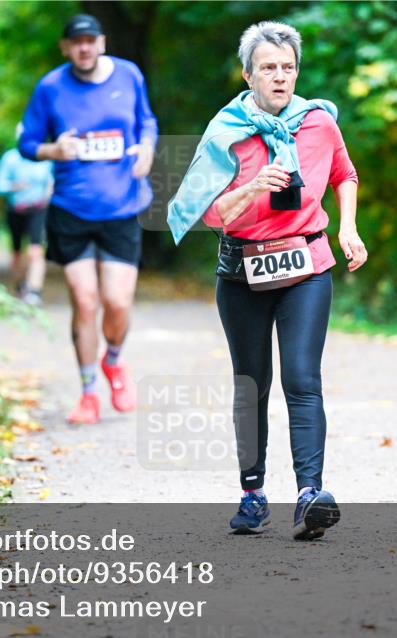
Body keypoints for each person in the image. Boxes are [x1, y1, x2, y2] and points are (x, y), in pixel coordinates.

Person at [167, 22, 366, 540]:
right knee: (252, 385)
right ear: (248, 73)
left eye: (288, 67)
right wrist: (255, 185)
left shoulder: (319, 122)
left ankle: (309, 498)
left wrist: (348, 227)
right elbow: (213, 215)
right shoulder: (225, 132)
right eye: (268, 67)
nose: (279, 76)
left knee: (303, 380)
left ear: (297, 72)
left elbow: (345, 174)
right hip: (242, 272)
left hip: (307, 266)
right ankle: (253, 496)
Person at [18, 14, 157, 424]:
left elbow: (146, 121)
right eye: (75, 41)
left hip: (122, 207)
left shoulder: (129, 75)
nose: (83, 47)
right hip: (71, 209)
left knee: (117, 302)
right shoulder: (50, 87)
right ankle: (88, 392)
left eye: (91, 40)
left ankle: (113, 361)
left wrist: (147, 148)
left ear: (102, 42)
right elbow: (27, 143)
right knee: (85, 300)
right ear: (65, 47)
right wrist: (52, 151)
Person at [0, 124, 54, 305]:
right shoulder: (10, 158)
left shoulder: (45, 158)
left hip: (38, 209)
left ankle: (34, 290)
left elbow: (53, 181)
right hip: (16, 210)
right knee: (17, 253)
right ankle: (20, 286)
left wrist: (49, 193)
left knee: (36, 251)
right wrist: (14, 187)